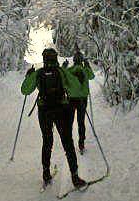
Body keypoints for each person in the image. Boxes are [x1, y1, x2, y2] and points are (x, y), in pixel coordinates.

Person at [21, 48, 86, 188]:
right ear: (56, 58)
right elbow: (76, 89)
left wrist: (28, 76)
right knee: (68, 143)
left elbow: (25, 90)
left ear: (44, 59)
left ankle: (46, 173)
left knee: (47, 141)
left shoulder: (39, 73)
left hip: (44, 111)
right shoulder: (62, 72)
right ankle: (75, 177)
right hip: (61, 109)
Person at [66, 49, 95, 153]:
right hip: (82, 99)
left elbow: (63, 77)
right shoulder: (85, 70)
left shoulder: (70, 70)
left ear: (74, 60)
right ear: (82, 60)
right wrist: (87, 66)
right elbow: (92, 76)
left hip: (71, 99)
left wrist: (64, 66)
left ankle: (69, 143)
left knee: (69, 121)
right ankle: (81, 144)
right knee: (81, 122)